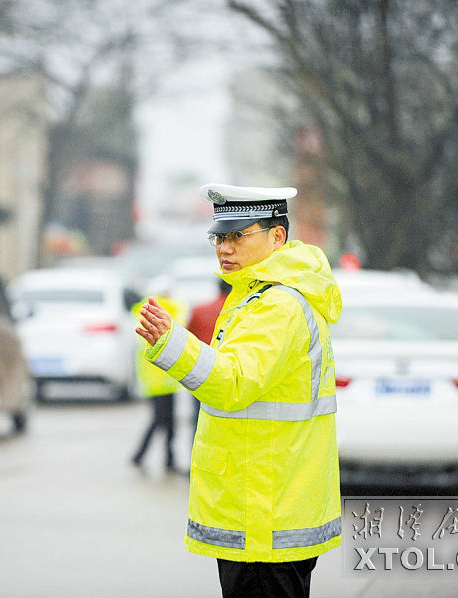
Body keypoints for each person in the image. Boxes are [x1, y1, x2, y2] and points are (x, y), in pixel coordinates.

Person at [135, 184, 343, 598]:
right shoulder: (256, 295)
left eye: (238, 236)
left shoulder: (276, 305)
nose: (224, 248)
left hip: (265, 512)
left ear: (277, 236)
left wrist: (174, 345)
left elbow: (233, 383)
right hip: (267, 504)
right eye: (219, 237)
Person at [130, 276, 187, 473]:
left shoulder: (140, 310)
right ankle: (148, 456)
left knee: (161, 419)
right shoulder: (172, 309)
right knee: (164, 420)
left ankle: (162, 458)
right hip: (168, 376)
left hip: (149, 378)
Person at [185, 277, 232, 435]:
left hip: (200, 370)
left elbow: (188, 338)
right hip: (228, 372)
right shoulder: (240, 310)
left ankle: (193, 455)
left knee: (198, 418)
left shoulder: (200, 310)